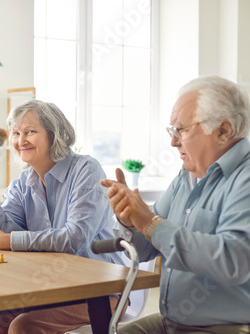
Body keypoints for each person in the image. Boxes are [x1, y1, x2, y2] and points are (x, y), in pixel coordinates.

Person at [0, 99, 125, 334]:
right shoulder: (23, 182)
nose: (20, 140)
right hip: (49, 286)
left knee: (23, 327)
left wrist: (7, 241)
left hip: (100, 290)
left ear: (54, 134)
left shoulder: (86, 170)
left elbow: (74, 239)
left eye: (30, 131)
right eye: (16, 133)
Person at [101, 76, 250, 333]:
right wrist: (130, 219)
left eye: (181, 129)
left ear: (223, 131)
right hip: (171, 323)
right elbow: (146, 249)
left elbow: (233, 261)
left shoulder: (244, 178)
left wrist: (149, 221)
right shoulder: (187, 176)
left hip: (223, 327)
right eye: (172, 131)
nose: (173, 141)